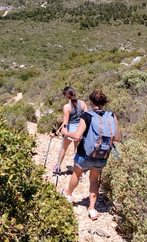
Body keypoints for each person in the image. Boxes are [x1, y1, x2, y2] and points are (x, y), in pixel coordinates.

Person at [60, 89, 120, 221]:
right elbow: (116, 138)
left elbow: (77, 135)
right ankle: (92, 209)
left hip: (85, 155)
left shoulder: (87, 116)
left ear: (91, 102)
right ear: (104, 103)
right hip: (102, 156)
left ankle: (68, 194)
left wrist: (65, 131)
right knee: (94, 179)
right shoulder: (111, 116)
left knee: (76, 174)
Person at [50, 86, 88, 173]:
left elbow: (65, 123)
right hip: (80, 130)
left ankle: (57, 167)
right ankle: (78, 170)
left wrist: (56, 133)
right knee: (77, 150)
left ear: (66, 96)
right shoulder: (82, 103)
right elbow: (86, 117)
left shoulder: (66, 107)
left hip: (70, 130)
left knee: (63, 149)